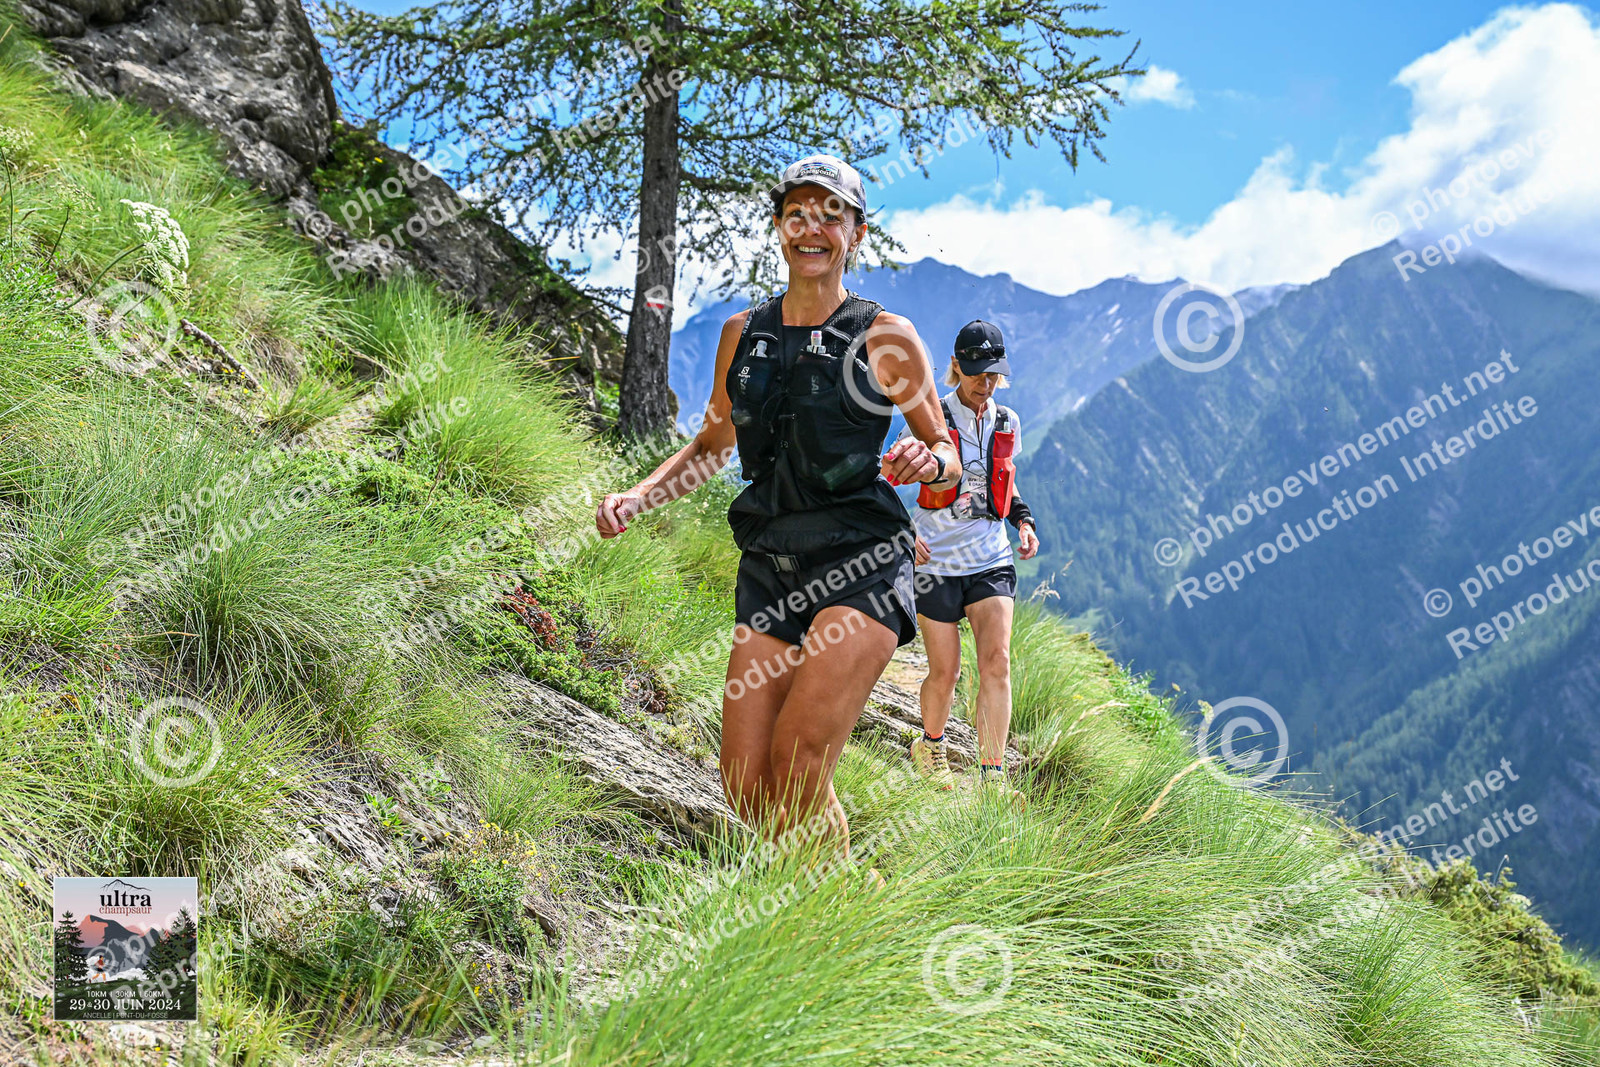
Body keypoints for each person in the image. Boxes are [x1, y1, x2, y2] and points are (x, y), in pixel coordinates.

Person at [596, 154, 959, 863]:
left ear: (857, 232)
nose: (812, 228)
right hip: (771, 565)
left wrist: (929, 461)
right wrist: (640, 495)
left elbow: (944, 448)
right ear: (779, 226)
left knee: (797, 762)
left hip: (860, 561)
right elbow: (712, 444)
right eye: (797, 214)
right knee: (745, 783)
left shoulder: (886, 335)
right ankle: (835, 891)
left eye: (831, 215)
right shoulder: (743, 333)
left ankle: (836, 918)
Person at [904, 320, 1039, 800]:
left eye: (993, 373)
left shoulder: (1008, 421)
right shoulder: (931, 418)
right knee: (946, 673)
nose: (985, 382)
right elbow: (891, 474)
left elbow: (1006, 481)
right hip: (936, 561)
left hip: (990, 558)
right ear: (956, 367)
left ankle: (993, 776)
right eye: (976, 371)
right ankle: (931, 746)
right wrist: (902, 533)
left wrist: (1023, 521)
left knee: (997, 663)